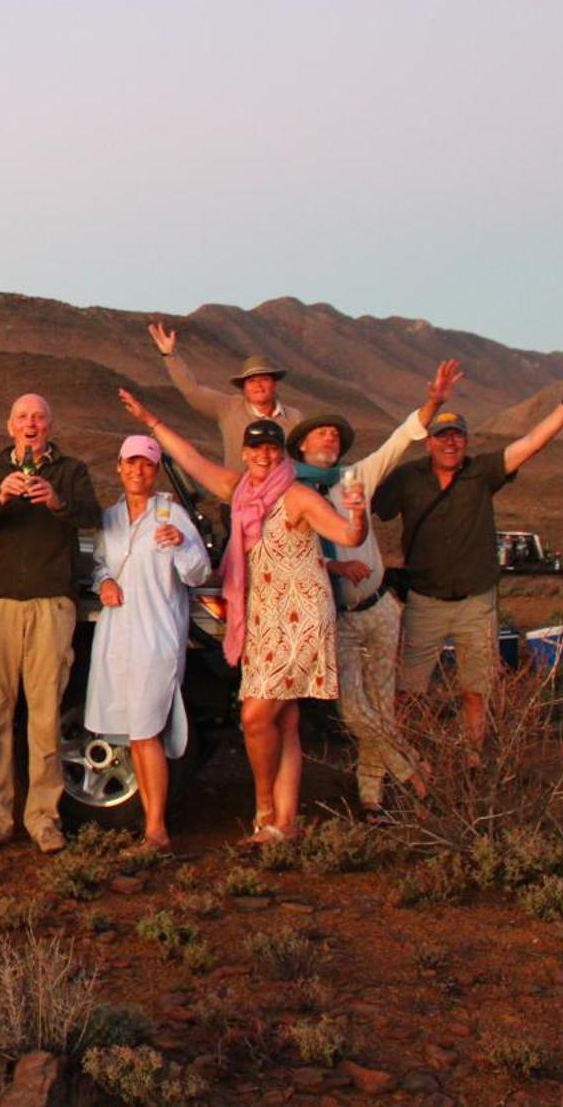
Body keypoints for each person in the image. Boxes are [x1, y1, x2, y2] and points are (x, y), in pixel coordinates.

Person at [120, 397, 366, 843]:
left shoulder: (298, 496)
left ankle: (265, 807)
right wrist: (151, 420)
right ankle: (284, 825)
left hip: (303, 618)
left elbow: (348, 535)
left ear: (282, 453)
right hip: (261, 619)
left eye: (272, 449)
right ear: (246, 452)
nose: (264, 456)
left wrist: (359, 512)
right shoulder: (240, 492)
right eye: (256, 450)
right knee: (284, 719)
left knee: (254, 718)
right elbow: (191, 460)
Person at [375, 358, 563, 745]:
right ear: (429, 441)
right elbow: (369, 505)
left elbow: (531, 444)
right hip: (425, 600)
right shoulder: (406, 478)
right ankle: (406, 755)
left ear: (465, 440)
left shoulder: (481, 472)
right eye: (442, 436)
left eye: (457, 436)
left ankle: (474, 759)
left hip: (476, 601)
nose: (450, 443)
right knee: (408, 689)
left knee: (476, 689)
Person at [286, 358, 461, 815]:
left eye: (335, 436)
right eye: (320, 434)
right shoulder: (287, 494)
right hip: (335, 616)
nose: (329, 439)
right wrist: (333, 566)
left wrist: (434, 402)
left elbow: (401, 439)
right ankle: (414, 770)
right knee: (353, 711)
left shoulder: (354, 479)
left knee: (382, 706)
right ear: (301, 445)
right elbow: (285, 553)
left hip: (380, 608)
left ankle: (371, 797)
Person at [0, 394, 101, 854]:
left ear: (50, 425)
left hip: (51, 603)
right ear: (9, 426)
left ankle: (43, 818)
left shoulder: (71, 471)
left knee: (44, 717)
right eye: (22, 417)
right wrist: (1, 496)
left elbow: (92, 516)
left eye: (39, 416)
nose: (30, 423)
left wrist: (56, 500)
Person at [84, 435, 211, 849]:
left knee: (147, 731)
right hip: (116, 635)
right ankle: (150, 822)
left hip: (156, 637)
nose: (138, 471)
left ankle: (157, 827)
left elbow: (197, 573)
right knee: (131, 731)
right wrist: (103, 582)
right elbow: (101, 563)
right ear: (119, 467)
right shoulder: (112, 517)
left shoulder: (169, 515)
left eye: (147, 465)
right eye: (131, 463)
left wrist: (182, 544)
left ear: (155, 472)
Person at [148, 320, 303, 465]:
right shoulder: (227, 407)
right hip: (239, 492)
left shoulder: (295, 417)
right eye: (251, 381)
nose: (258, 385)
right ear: (243, 388)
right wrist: (170, 355)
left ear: (274, 383)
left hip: (285, 492)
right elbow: (191, 390)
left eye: (264, 379)